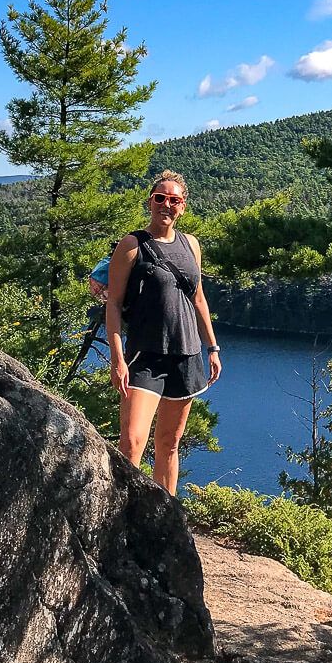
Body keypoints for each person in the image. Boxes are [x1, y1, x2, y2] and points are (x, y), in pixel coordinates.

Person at [104, 170, 221, 494]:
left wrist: (212, 348)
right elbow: (113, 304)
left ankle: (165, 520)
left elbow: (198, 298)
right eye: (160, 198)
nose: (166, 205)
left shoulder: (191, 245)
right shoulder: (132, 245)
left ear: (183, 206)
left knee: (169, 444)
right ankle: (125, 518)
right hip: (145, 355)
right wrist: (117, 358)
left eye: (174, 200)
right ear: (150, 202)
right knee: (131, 444)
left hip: (186, 354)